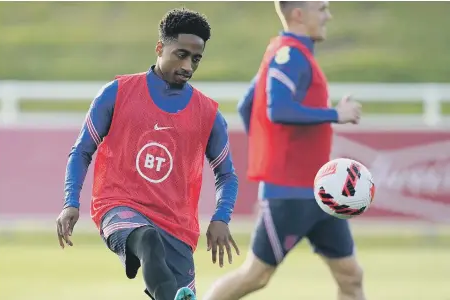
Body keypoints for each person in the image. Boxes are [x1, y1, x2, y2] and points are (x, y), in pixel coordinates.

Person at [55, 8, 240, 300]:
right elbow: (81, 151)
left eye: (196, 58)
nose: (188, 66)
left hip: (177, 225)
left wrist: (221, 217)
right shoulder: (117, 93)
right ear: (159, 48)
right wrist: (70, 202)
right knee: (148, 239)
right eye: (180, 54)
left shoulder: (209, 114)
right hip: (118, 205)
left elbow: (226, 175)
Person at [203, 2, 365, 300]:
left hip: (321, 192)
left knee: (351, 277)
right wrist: (334, 114)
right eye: (322, 8)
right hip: (289, 195)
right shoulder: (288, 55)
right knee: (256, 276)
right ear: (299, 14)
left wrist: (273, 151)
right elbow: (277, 109)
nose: (328, 15)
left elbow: (247, 105)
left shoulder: (289, 53)